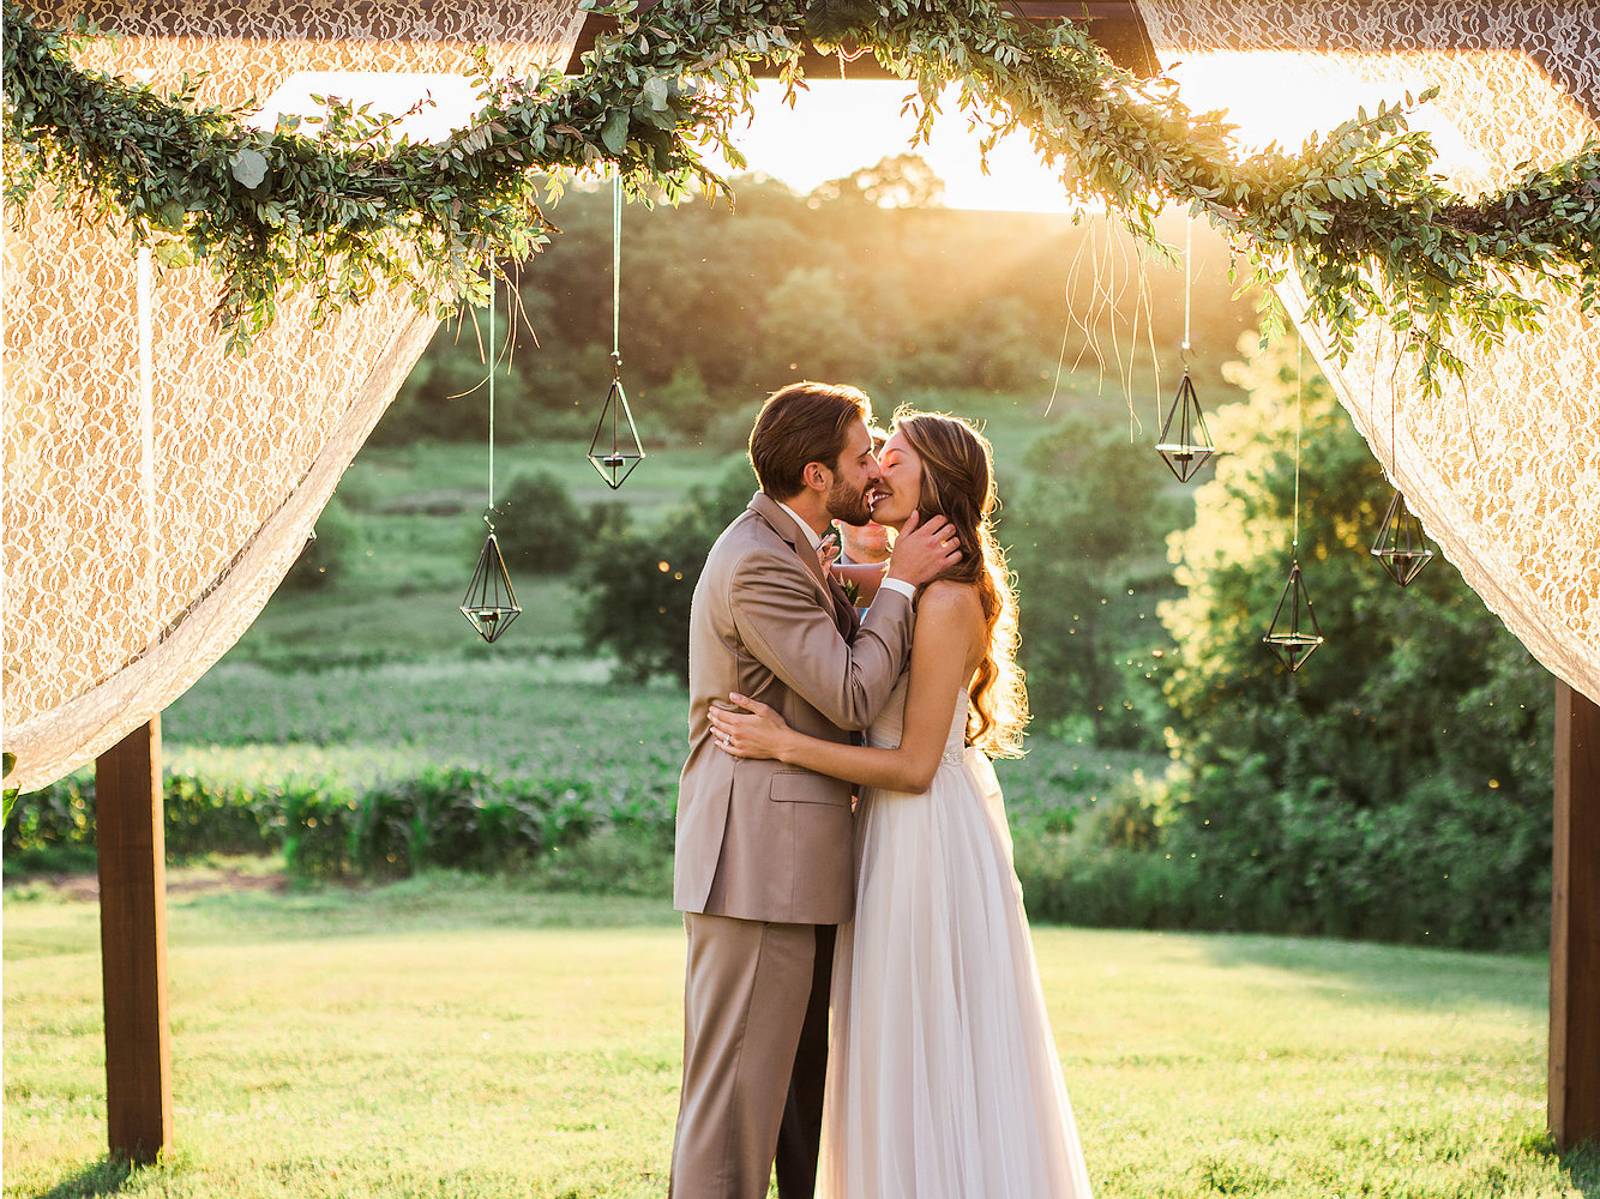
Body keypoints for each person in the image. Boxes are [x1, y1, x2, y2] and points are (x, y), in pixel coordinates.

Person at [708, 410, 1098, 1199]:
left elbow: (916, 766)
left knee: (922, 1039)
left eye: (895, 456)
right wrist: (875, 569)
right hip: (887, 836)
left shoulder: (948, 600)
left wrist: (787, 745)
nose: (877, 467)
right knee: (892, 1041)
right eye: (873, 452)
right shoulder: (912, 587)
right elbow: (848, 591)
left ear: (936, 482)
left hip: (925, 838)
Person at [669, 381, 962, 1199]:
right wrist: (900, 581)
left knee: (802, 1108)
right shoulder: (758, 559)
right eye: (862, 454)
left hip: (800, 867)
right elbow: (852, 694)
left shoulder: (798, 544)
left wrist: (875, 577)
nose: (873, 467)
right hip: (756, 871)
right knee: (732, 1112)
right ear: (815, 474)